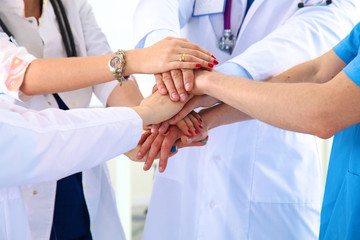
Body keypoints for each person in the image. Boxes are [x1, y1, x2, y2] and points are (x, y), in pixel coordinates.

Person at [133, 0, 360, 239]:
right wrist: (169, 62)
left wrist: (202, 82)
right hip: (188, 153)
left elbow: (321, 105)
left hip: (271, 174)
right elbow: (317, 70)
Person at [0, 0, 214, 239]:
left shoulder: (70, 4)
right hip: (24, 178)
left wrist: (150, 127)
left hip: (81, 172)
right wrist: (134, 60)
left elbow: (111, 80)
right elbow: (23, 76)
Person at [0, 88, 186, 239]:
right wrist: (146, 114)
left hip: (77, 172)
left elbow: (107, 74)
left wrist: (142, 125)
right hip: (43, 168)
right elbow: (37, 136)